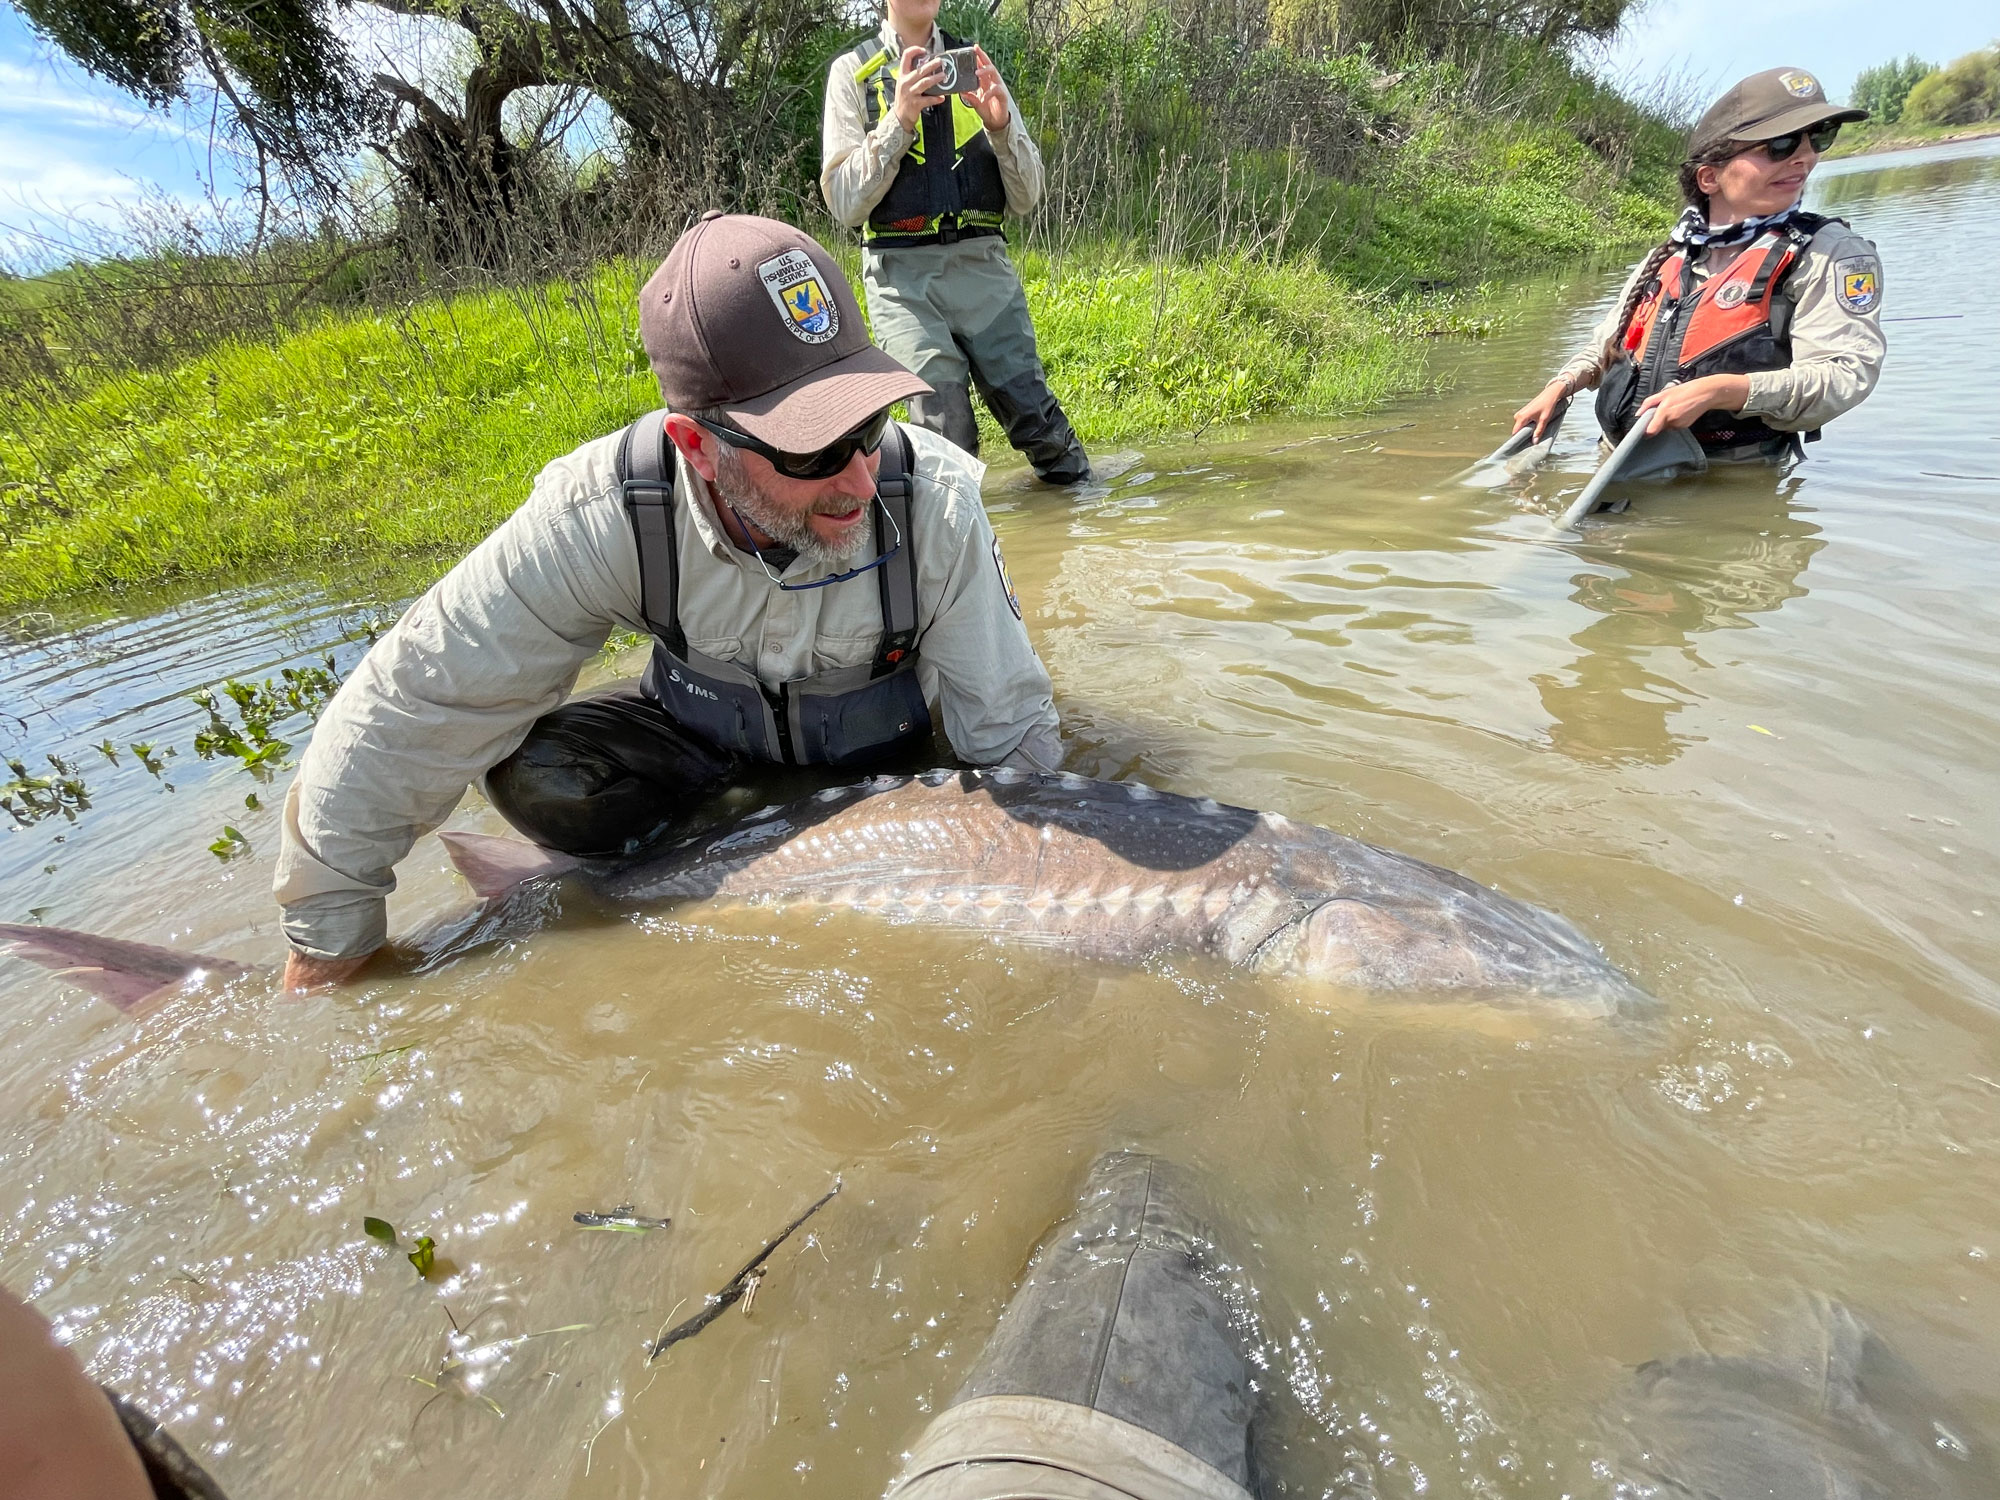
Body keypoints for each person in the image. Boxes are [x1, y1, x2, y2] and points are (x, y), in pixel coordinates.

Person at [273, 213, 1063, 992]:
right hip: (706, 755)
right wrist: (330, 948)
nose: (861, 479)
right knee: (535, 771)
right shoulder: (608, 510)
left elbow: (1015, 746)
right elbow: (412, 707)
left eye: (869, 425)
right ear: (697, 446)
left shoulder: (935, 504)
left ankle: (721, 869)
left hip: (892, 767)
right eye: (814, 448)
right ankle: (688, 870)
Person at [1513, 67, 1885, 476]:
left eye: (1818, 138)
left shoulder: (1829, 254)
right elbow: (1606, 345)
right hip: (1618, 459)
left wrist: (1723, 392)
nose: (1805, 157)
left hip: (1730, 481)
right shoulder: (1670, 253)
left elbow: (1845, 376)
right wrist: (1562, 385)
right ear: (1710, 177)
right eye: (1779, 145)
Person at [820, 0, 1091, 484]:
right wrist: (898, 120)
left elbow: (1027, 197)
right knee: (946, 439)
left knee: (1040, 426)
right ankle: (957, 552)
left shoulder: (976, 63)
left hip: (983, 268)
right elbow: (845, 204)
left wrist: (1001, 127)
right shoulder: (852, 73)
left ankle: (1082, 526)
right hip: (903, 281)